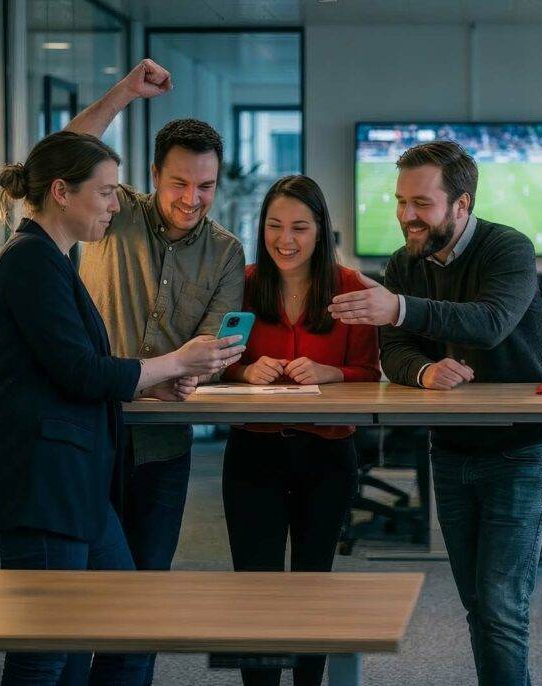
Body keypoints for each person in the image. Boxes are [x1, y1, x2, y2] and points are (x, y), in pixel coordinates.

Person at [0, 131, 244, 685]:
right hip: (46, 482)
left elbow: (77, 369)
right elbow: (80, 371)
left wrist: (150, 384)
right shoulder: (32, 263)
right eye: (104, 193)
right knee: (48, 651)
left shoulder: (51, 261)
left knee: (124, 616)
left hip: (76, 480)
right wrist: (172, 366)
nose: (114, 205)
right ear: (61, 192)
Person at [328, 140, 542, 686]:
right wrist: (425, 372)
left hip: (522, 448)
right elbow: (396, 350)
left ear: (462, 204)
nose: (407, 215)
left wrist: (401, 307)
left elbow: (490, 321)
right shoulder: (404, 262)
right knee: (478, 603)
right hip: (452, 449)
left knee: (501, 608)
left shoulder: (509, 248)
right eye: (401, 201)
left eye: (422, 203)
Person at [64, 60, 246, 682]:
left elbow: (216, 345)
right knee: (74, 598)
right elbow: (68, 154)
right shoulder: (117, 213)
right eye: (179, 183)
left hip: (165, 447)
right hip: (89, 433)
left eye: (205, 186)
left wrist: (200, 372)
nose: (191, 199)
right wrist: (123, 93)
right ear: (152, 177)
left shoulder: (226, 251)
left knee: (144, 596)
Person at [220, 175, 380, 686]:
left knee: (314, 586)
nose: (285, 239)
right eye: (274, 226)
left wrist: (331, 372)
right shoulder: (241, 282)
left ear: (320, 231)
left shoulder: (352, 287)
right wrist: (244, 370)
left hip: (327, 453)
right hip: (253, 451)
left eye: (299, 228)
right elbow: (215, 360)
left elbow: (369, 373)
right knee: (256, 589)